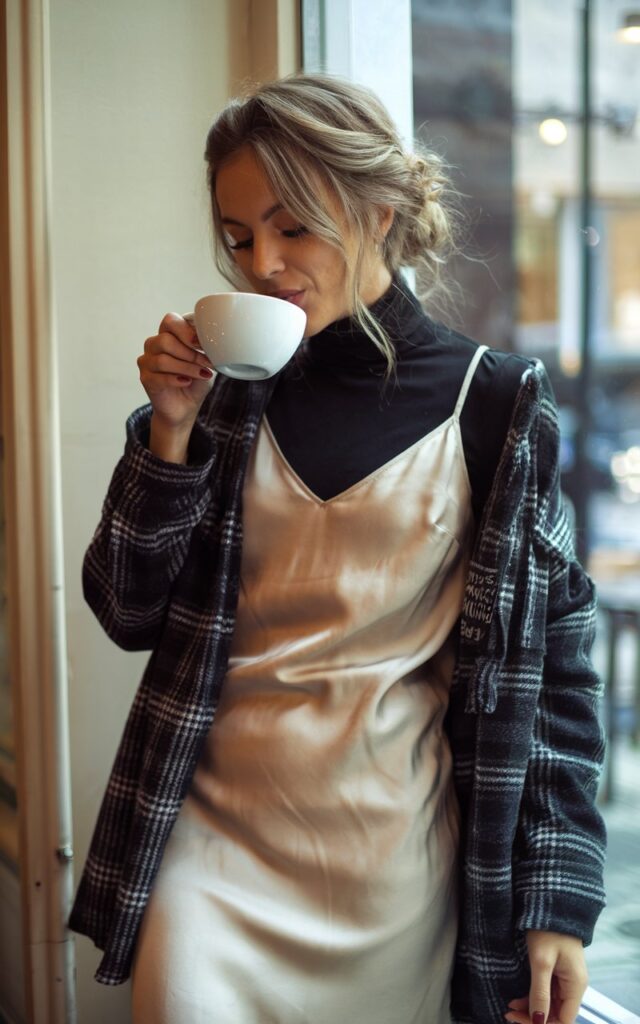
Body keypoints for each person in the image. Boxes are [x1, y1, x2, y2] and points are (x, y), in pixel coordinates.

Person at [67, 73, 606, 1024]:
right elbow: (126, 610)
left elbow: (557, 665)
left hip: (394, 871)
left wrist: (559, 902)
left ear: (378, 211)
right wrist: (168, 435)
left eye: (294, 227)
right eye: (239, 237)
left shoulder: (496, 403)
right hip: (211, 852)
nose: (263, 263)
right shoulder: (215, 404)